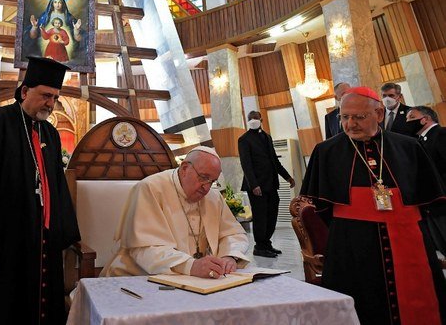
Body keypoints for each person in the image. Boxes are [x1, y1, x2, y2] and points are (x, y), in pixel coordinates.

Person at [0, 56, 80, 325]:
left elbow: (56, 187)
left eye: (55, 98)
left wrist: (61, 234)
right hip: (4, 244)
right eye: (45, 95)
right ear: (24, 92)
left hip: (39, 241)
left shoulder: (50, 135)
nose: (50, 104)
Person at [301, 87, 446, 325]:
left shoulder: (408, 146)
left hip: (410, 242)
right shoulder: (325, 151)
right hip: (351, 246)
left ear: (379, 114)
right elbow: (319, 208)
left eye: (359, 117)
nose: (350, 124)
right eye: (345, 117)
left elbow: (429, 198)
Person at [101, 146, 249, 279]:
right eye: (203, 178)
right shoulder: (150, 188)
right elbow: (143, 249)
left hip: (196, 280)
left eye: (212, 181)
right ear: (184, 168)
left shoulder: (213, 197)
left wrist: (229, 256)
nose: (206, 188)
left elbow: (233, 234)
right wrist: (190, 266)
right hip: (138, 277)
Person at [238, 111, 295, 258]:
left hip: (271, 183)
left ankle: (266, 242)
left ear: (261, 119)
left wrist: (287, 177)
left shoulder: (267, 137)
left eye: (256, 118)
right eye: (250, 119)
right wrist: (254, 185)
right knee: (260, 216)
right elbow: (246, 165)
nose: (253, 120)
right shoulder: (244, 139)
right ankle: (259, 247)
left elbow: (274, 161)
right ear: (247, 121)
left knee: (272, 214)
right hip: (256, 186)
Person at [406, 106, 446, 258]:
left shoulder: (441, 134)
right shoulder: (421, 140)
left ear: (425, 119)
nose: (407, 122)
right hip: (432, 202)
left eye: (411, 117)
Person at [27, 0, 84, 65]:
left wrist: (76, 30)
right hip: (49, 46)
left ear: (63, 3)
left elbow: (77, 38)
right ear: (52, 3)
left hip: (62, 47)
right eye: (55, 2)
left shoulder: (68, 17)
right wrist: (34, 27)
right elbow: (35, 36)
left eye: (59, 2)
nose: (57, 5)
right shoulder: (45, 16)